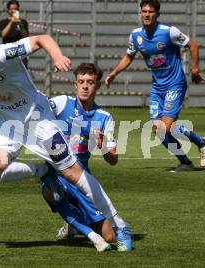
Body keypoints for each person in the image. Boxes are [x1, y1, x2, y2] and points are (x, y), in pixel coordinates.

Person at [0, 26, 129, 248]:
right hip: (10, 123)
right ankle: (42, 169)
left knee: (73, 173)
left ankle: (120, 224)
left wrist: (57, 56)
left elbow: (42, 39)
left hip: (40, 119)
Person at [104, 0, 205, 172]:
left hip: (175, 84)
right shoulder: (136, 35)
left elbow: (193, 46)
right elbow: (128, 56)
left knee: (166, 127)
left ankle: (201, 142)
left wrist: (195, 70)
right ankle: (185, 162)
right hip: (157, 88)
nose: (147, 14)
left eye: (151, 12)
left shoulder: (169, 32)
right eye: (144, 11)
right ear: (140, 13)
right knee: (159, 130)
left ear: (157, 14)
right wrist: (114, 73)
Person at [40, 62, 133, 252]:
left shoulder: (104, 117)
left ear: (97, 86)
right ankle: (78, 224)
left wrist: (103, 146)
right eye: (81, 81)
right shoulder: (61, 103)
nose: (85, 86)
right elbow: (39, 108)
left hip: (83, 178)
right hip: (57, 172)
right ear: (75, 84)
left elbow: (113, 160)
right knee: (51, 191)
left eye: (90, 82)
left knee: (110, 236)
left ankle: (75, 223)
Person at [0, 0, 29, 67]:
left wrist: (19, 24)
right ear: (8, 10)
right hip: (7, 52)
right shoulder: (3, 22)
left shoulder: (23, 22)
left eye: (16, 9)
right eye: (12, 9)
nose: (14, 11)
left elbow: (26, 36)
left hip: (20, 52)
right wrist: (11, 22)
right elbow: (3, 35)